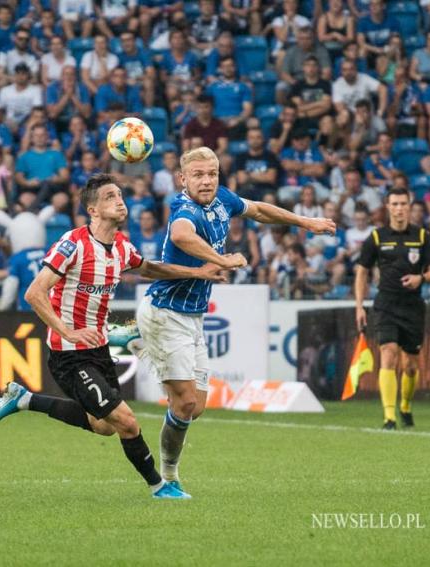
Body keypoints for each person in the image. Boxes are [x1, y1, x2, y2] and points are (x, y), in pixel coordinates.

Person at [0, 172, 229, 500]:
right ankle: (161, 487)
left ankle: (25, 399)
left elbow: (151, 268)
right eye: (110, 197)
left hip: (97, 349)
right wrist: (67, 331)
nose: (120, 201)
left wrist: (199, 271)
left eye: (120, 195)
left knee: (103, 425)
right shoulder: (72, 244)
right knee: (127, 422)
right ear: (94, 210)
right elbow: (34, 293)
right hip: (68, 354)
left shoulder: (121, 248)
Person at [130, 147, 334, 494]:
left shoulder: (222, 199)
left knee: (197, 408)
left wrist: (305, 222)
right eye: (198, 175)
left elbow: (258, 210)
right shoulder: (184, 208)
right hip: (167, 312)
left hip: (192, 318)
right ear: (183, 179)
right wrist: (220, 259)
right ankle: (167, 480)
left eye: (212, 174)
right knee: (186, 403)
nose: (207, 180)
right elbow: (181, 235)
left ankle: (136, 339)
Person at [355, 187, 430, 430]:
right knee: (389, 353)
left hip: (413, 306)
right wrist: (359, 306)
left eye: (403, 203)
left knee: (411, 366)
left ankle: (405, 405)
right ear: (388, 206)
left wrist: (420, 279)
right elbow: (362, 271)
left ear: (409, 205)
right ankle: (389, 417)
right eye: (395, 204)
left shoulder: (422, 236)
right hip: (386, 304)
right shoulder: (377, 237)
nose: (399, 208)